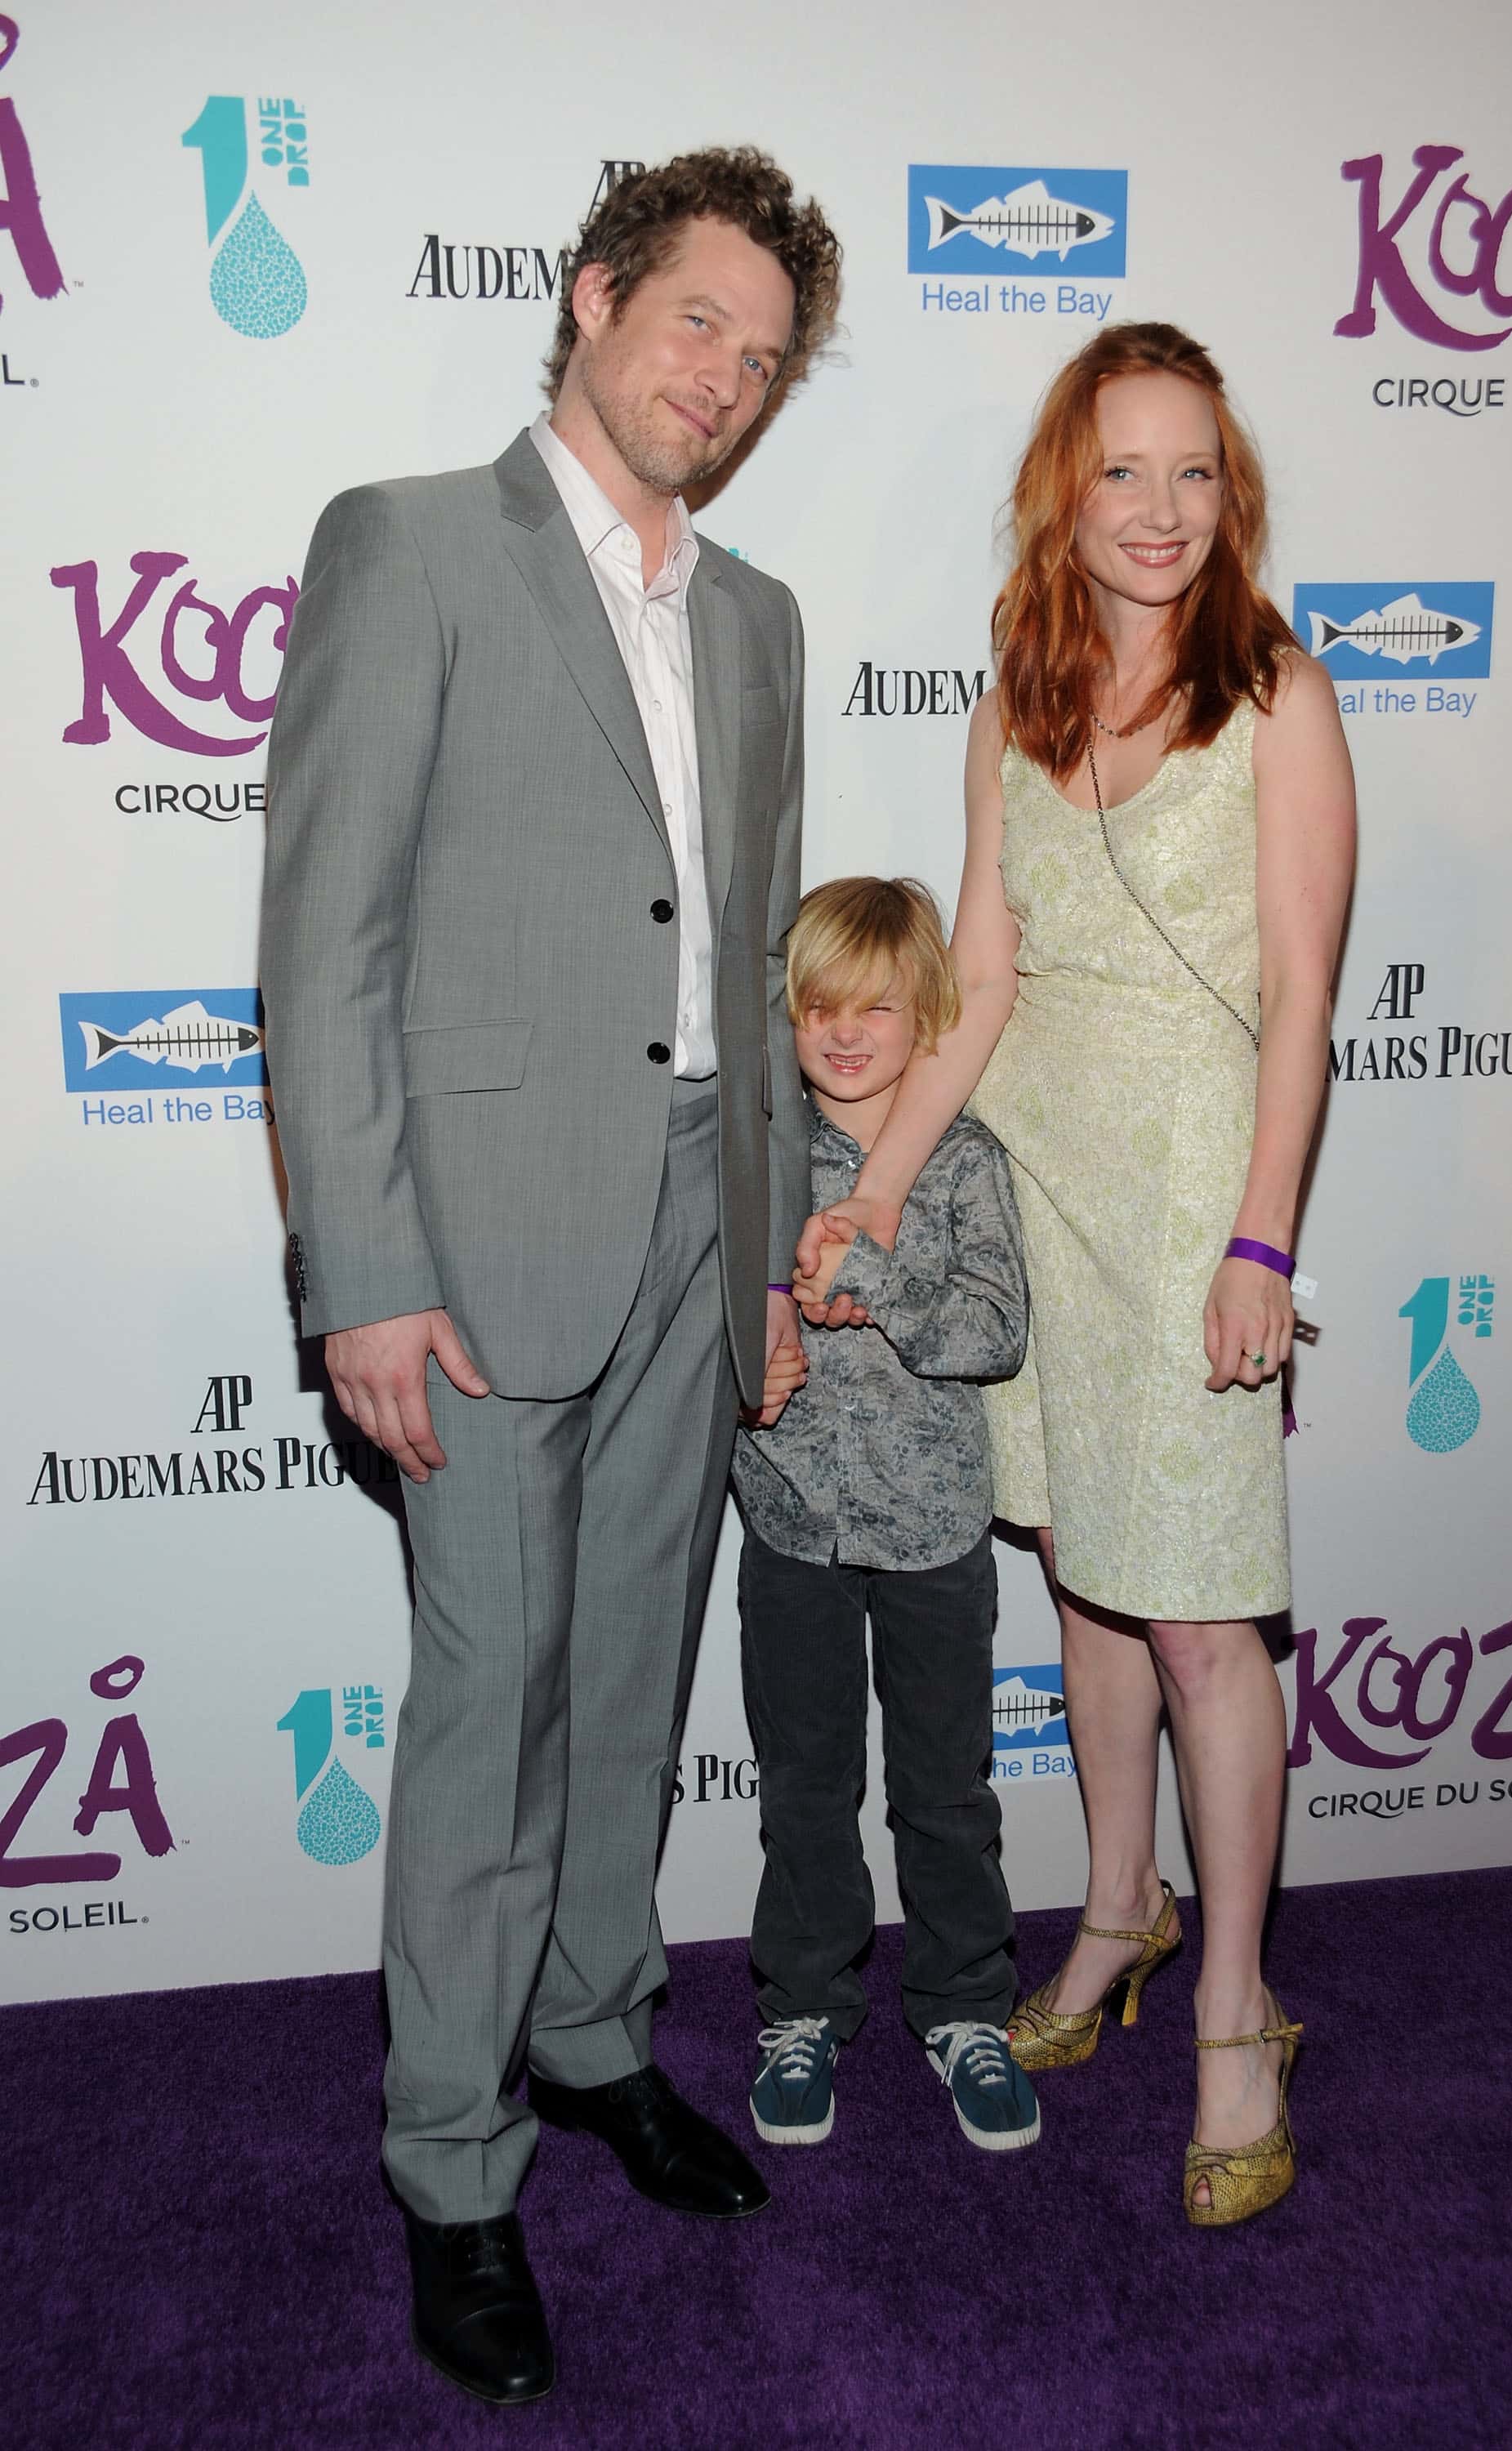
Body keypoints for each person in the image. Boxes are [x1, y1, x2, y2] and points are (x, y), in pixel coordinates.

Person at [260, 149, 841, 2403]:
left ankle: (598, 2042)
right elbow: (330, 944)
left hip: (706, 1210)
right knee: (487, 1714)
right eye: (697, 322)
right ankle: (452, 2165)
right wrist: (365, 1268)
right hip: (481, 1234)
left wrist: (778, 1255)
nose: (725, 378)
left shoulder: (765, 616)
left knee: (628, 1677)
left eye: (765, 357)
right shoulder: (410, 543)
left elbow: (766, 960)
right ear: (594, 298)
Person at [794, 324, 1355, 2228]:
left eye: (1195, 471)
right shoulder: (1015, 695)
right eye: (1126, 469)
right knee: (1092, 1580)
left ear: (1232, 491)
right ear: (1066, 484)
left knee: (1202, 1617)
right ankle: (1118, 1908)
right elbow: (988, 984)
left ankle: (1233, 2008)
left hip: (1198, 1190)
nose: (1161, 509)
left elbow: (1299, 1000)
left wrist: (1263, 1236)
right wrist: (872, 1191)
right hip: (1043, 1182)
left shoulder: (1275, 687)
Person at [734, 877, 1038, 2154]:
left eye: (876, 1007)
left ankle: (966, 2007)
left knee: (945, 1791)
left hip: (933, 1539)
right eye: (818, 1007)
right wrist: (749, 1363)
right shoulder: (751, 1155)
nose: (845, 1032)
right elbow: (705, 1322)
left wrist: (876, 1291)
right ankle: (802, 2008)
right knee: (805, 1789)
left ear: (929, 1018)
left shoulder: (962, 1159)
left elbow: (998, 1326)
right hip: (792, 1530)